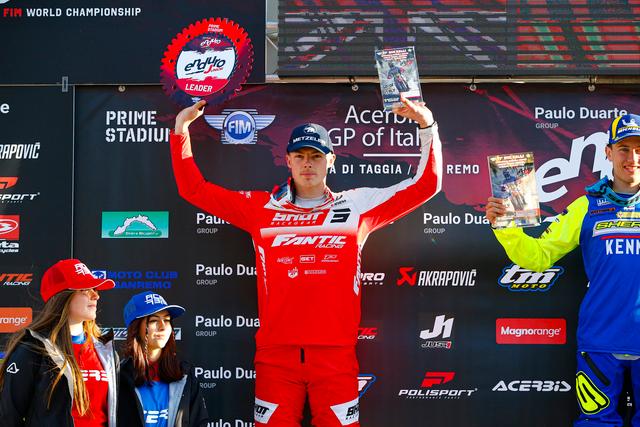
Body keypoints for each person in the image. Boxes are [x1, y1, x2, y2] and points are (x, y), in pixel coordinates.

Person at [170, 97, 442, 427]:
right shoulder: (261, 208)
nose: (307, 163)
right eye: (299, 156)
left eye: (316, 156)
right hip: (276, 357)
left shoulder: (357, 206)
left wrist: (426, 125)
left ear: (331, 160)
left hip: (335, 355)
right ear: (287, 160)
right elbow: (194, 190)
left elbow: (426, 185)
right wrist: (181, 129)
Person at [485, 114, 640, 426]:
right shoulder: (586, 206)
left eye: (639, 149)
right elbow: (538, 257)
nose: (632, 158)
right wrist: (505, 226)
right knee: (596, 424)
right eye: (624, 149)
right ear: (608, 152)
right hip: (600, 340)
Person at [0, 258, 118, 426]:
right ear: (63, 297)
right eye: (85, 289)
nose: (96, 295)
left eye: (95, 289)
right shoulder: (32, 349)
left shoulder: (106, 352)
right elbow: (8, 417)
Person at [118, 291, 209, 427]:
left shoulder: (185, 375)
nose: (162, 326)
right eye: (154, 320)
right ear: (135, 329)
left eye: (166, 320)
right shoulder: (119, 377)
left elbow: (199, 422)